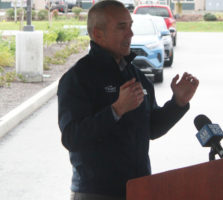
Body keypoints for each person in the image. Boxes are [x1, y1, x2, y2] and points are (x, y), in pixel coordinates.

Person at [57, 0, 199, 199]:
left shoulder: (135, 75)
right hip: (96, 192)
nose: (130, 33)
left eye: (130, 26)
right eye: (121, 27)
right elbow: (72, 138)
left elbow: (151, 128)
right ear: (98, 34)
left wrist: (178, 104)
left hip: (139, 188)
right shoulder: (78, 78)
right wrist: (116, 110)